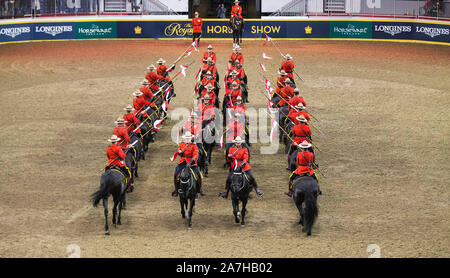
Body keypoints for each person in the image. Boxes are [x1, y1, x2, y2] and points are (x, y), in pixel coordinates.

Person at [172, 131, 204, 197]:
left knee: (198, 175)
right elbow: (180, 154)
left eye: (188, 138)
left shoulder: (194, 146)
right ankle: (176, 190)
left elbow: (195, 155)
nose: (187, 139)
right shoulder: (181, 144)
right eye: (186, 138)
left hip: (191, 162)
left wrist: (190, 162)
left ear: (190, 138)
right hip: (183, 161)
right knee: (176, 174)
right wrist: (179, 152)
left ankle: (199, 189)